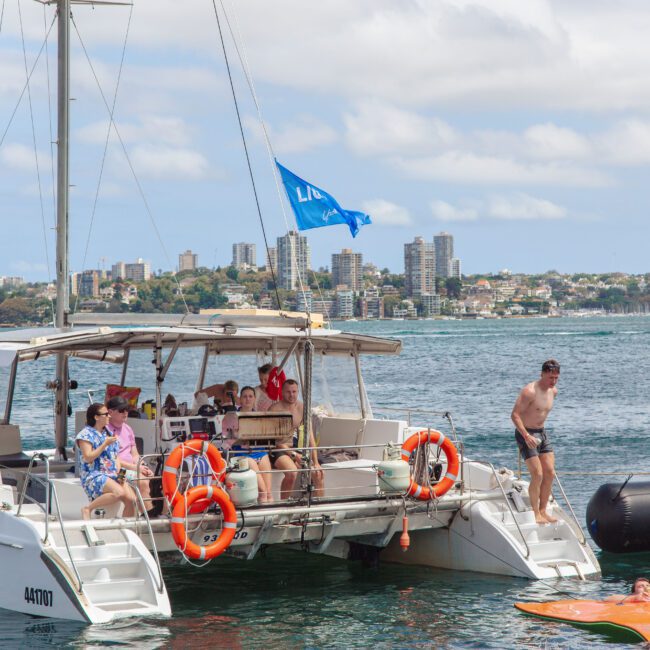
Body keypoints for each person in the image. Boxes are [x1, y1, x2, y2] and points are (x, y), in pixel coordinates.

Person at [511, 359, 561, 525]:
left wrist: (538, 433)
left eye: (556, 378)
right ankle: (535, 513)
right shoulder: (529, 391)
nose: (553, 381)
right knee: (537, 474)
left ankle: (543, 510)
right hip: (525, 434)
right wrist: (526, 435)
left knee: (550, 473)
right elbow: (515, 415)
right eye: (550, 377)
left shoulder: (553, 391)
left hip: (542, 433)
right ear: (542, 374)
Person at [76, 402, 136, 520]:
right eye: (106, 414)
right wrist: (104, 444)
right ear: (96, 417)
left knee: (132, 500)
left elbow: (116, 457)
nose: (109, 416)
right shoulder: (85, 435)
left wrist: (121, 474)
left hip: (112, 474)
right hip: (94, 475)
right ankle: (88, 509)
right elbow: (88, 457)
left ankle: (126, 529)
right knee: (119, 493)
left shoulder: (107, 434)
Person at [269, 379, 324, 499]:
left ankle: (320, 506)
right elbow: (276, 441)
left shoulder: (303, 408)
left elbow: (310, 436)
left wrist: (316, 462)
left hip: (296, 447)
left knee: (318, 472)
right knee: (292, 472)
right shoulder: (275, 409)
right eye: (288, 392)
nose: (291, 395)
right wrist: (294, 455)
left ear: (298, 391)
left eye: (294, 391)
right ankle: (283, 507)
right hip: (278, 449)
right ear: (282, 392)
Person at [106, 396, 154, 513]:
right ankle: (148, 516)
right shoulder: (106, 431)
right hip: (116, 471)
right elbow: (113, 459)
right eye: (121, 410)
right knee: (142, 481)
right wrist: (137, 468)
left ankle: (152, 513)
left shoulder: (128, 429)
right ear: (110, 412)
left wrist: (143, 466)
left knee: (155, 478)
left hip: (132, 468)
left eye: (127, 410)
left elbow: (135, 454)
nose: (125, 413)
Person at [231, 386, 273, 503]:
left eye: (250, 396)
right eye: (244, 396)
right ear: (240, 399)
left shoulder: (260, 416)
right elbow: (227, 441)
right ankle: (262, 517)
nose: (247, 399)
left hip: (261, 452)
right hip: (244, 454)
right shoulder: (233, 416)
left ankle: (271, 519)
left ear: (254, 399)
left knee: (269, 493)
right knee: (263, 491)